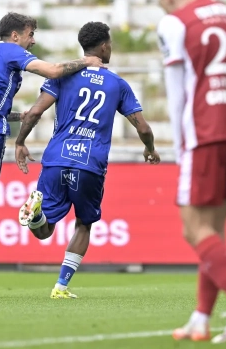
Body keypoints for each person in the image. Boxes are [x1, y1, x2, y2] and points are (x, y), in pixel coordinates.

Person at [0, 12, 105, 294]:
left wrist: (19, 116)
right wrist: (85, 61)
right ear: (15, 36)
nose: (33, 40)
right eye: (30, 34)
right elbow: (53, 71)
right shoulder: (11, 51)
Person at [15, 21, 160, 299]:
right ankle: (61, 286)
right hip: (89, 163)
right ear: (104, 46)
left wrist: (20, 141)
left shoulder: (63, 75)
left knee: (43, 231)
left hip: (57, 159)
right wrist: (149, 149)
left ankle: (36, 213)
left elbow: (34, 112)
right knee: (84, 223)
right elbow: (143, 128)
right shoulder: (117, 84)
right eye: (110, 44)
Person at [152, 0, 226, 343]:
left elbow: (176, 89)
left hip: (206, 129)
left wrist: (180, 146)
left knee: (193, 228)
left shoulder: (175, 22)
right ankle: (201, 318)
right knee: (214, 231)